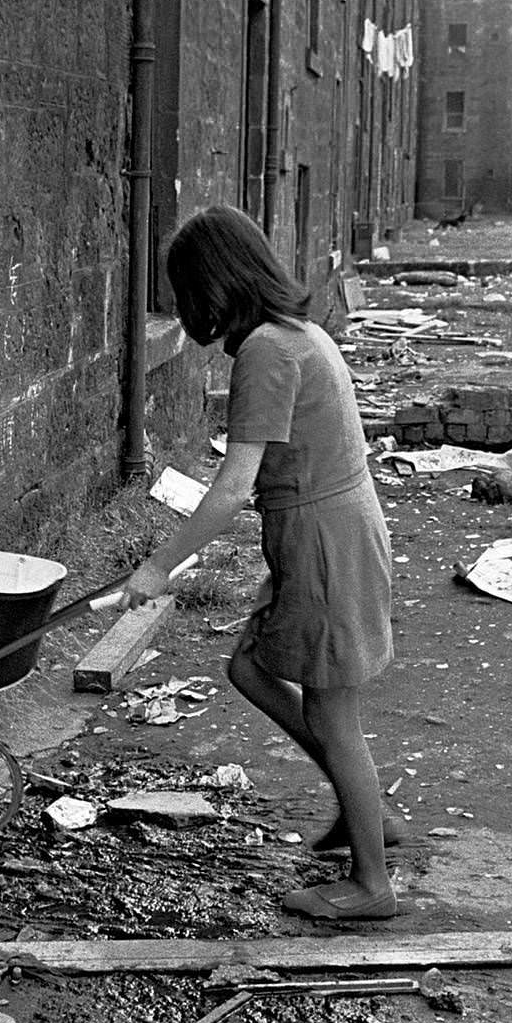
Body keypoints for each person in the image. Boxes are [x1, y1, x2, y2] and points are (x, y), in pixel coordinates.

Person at [120, 206, 401, 921]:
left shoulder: (268, 353)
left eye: (183, 289)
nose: (181, 307)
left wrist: (158, 567)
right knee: (249, 664)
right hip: (325, 528)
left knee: (334, 714)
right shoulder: (295, 334)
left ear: (213, 284)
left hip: (325, 539)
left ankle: (372, 884)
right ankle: (363, 805)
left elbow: (232, 486)